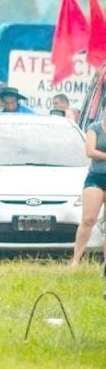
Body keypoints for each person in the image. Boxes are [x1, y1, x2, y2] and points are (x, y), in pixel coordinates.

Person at [70, 97, 106, 271]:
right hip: (96, 176)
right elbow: (90, 151)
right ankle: (76, 259)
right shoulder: (95, 128)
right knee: (88, 218)